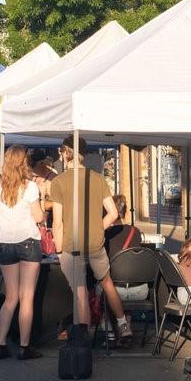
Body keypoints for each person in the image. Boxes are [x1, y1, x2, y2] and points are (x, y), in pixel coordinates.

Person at [47, 137, 134, 344]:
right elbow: (113, 213)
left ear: (65, 152)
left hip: (71, 244)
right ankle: (123, 325)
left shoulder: (59, 182)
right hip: (95, 243)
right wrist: (97, 228)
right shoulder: (98, 178)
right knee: (107, 283)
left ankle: (83, 341)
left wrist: (58, 250)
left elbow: (57, 222)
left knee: (80, 293)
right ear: (83, 154)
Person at [0, 147, 45, 360]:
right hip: (28, 240)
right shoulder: (30, 187)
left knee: (10, 297)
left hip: (5, 241)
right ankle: (24, 346)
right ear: (24, 163)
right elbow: (38, 217)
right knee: (27, 297)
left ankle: (1, 344)